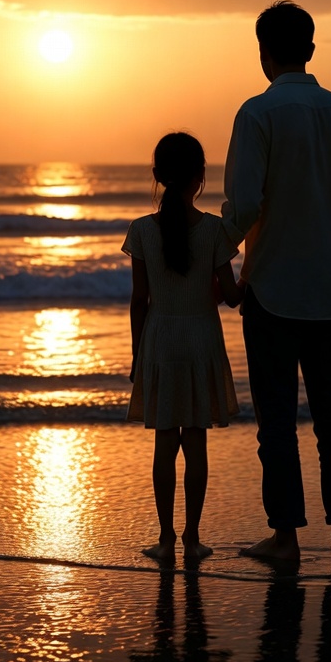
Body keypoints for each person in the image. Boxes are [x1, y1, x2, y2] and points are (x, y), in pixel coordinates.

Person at [222, 0, 331, 562]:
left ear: (264, 53)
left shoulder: (258, 114)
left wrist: (212, 258)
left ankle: (285, 536)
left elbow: (243, 205)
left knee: (278, 423)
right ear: (311, 50)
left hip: (273, 290)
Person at [124, 131, 243, 563]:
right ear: (200, 177)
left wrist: (138, 354)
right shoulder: (213, 230)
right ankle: (193, 539)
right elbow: (231, 295)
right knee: (196, 443)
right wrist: (256, 274)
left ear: (158, 176)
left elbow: (140, 301)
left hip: (159, 342)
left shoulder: (141, 231)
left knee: (163, 444)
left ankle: (165, 538)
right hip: (201, 342)